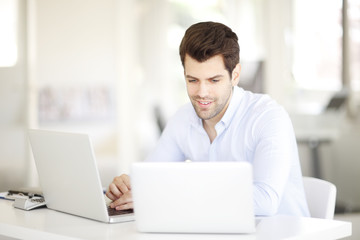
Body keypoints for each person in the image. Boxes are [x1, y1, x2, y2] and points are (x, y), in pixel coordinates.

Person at [106, 21, 310, 217]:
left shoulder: (268, 117)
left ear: (235, 75)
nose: (202, 93)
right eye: (192, 80)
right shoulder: (183, 119)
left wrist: (170, 196)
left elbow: (265, 201)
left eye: (214, 80)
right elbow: (149, 176)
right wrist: (128, 185)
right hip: (223, 231)